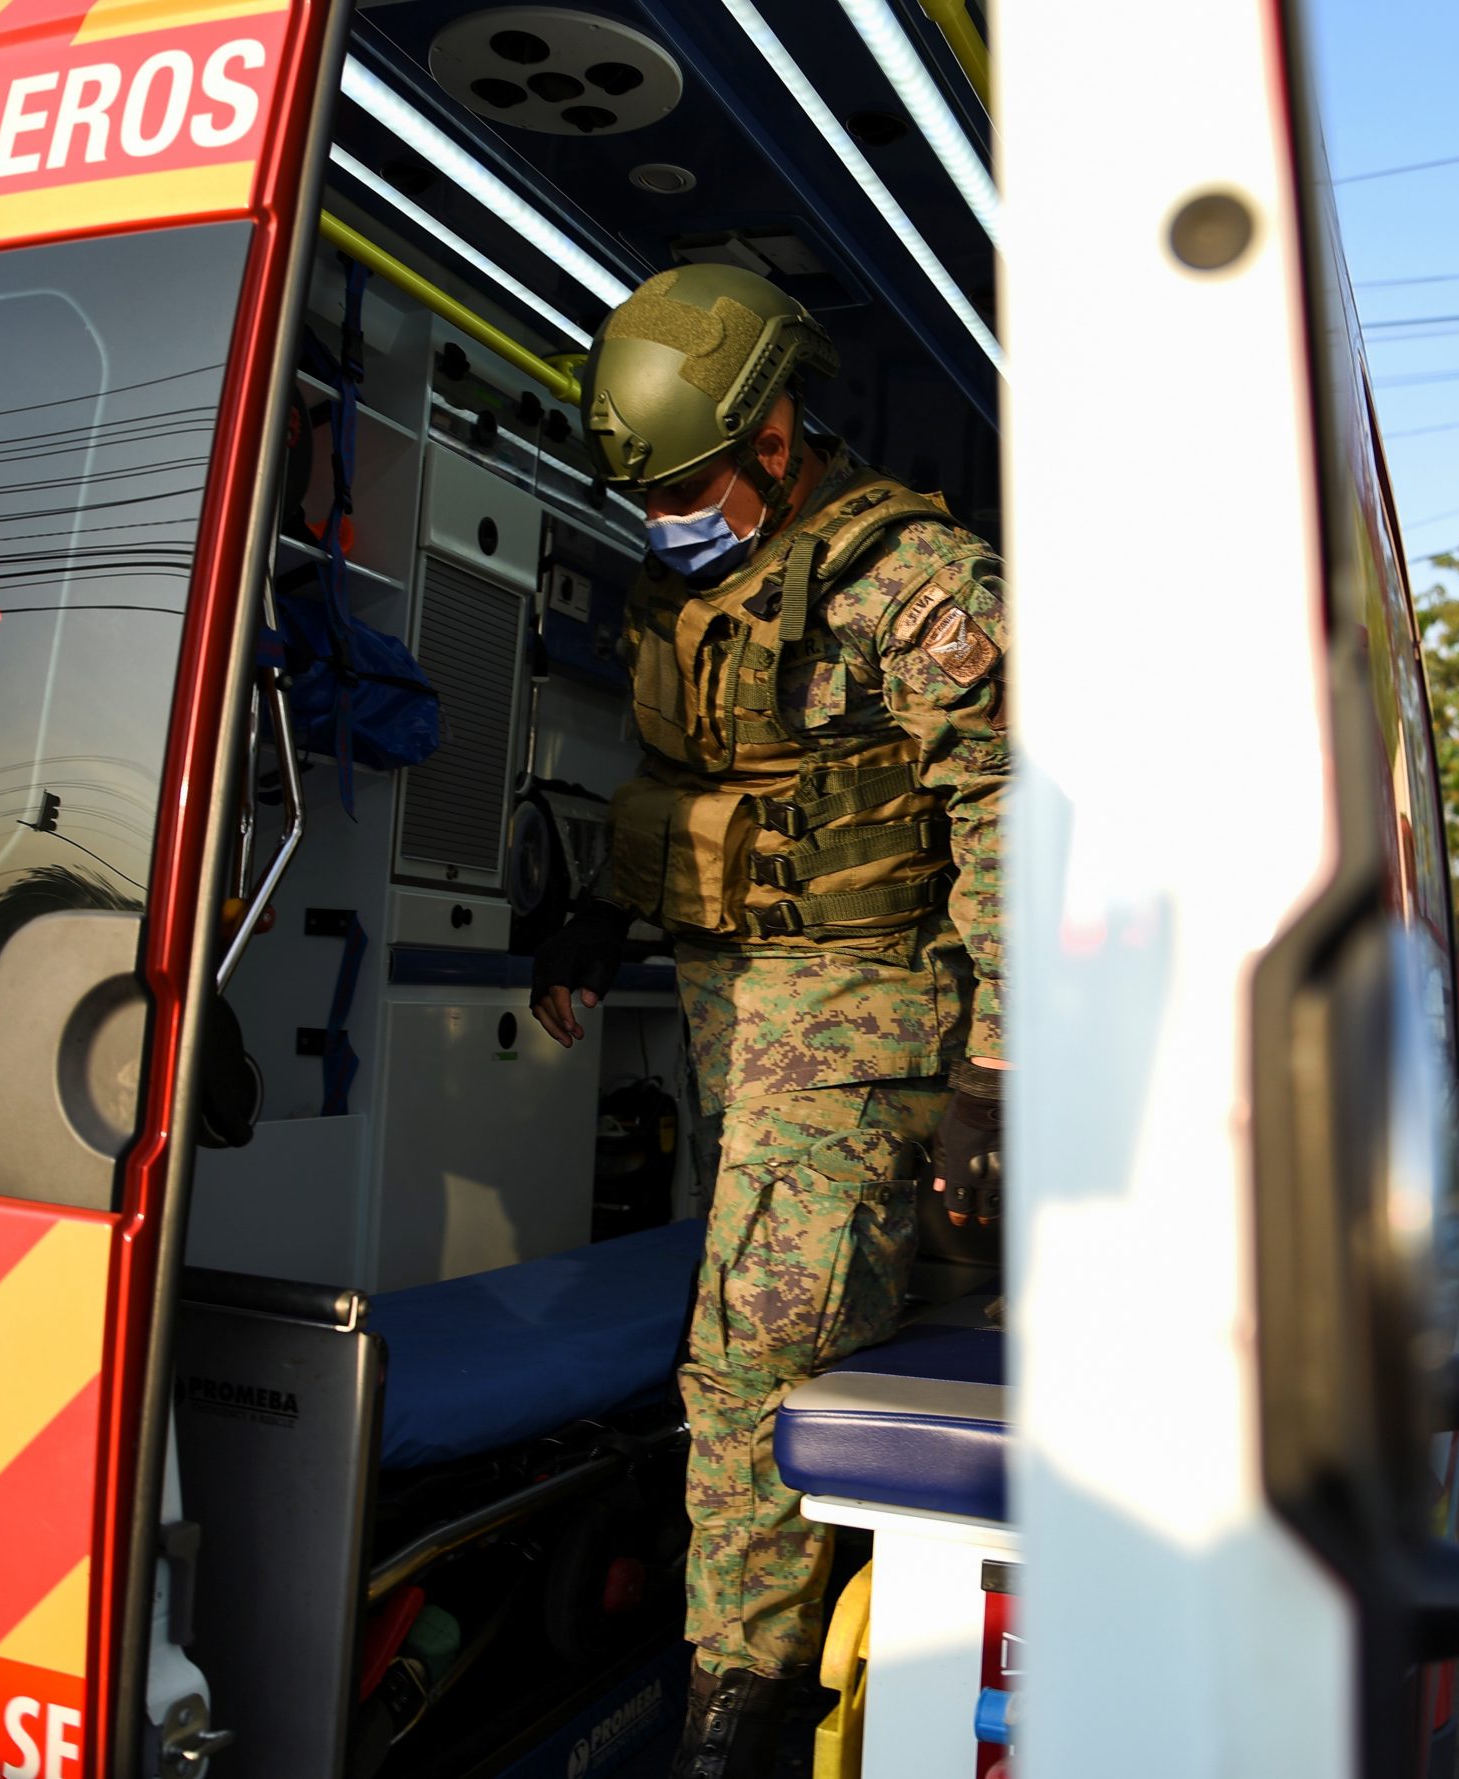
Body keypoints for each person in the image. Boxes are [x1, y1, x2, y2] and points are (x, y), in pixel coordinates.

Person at [527, 263, 1008, 1779]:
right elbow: (684, 781)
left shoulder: (910, 575)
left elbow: (1018, 806)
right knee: (811, 1314)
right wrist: (602, 922)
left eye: (686, 483)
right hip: (730, 999)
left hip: (867, 1003)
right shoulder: (695, 578)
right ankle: (848, 1611)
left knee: (747, 1349)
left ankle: (741, 1705)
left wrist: (999, 1061)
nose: (667, 514)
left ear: (780, 436)